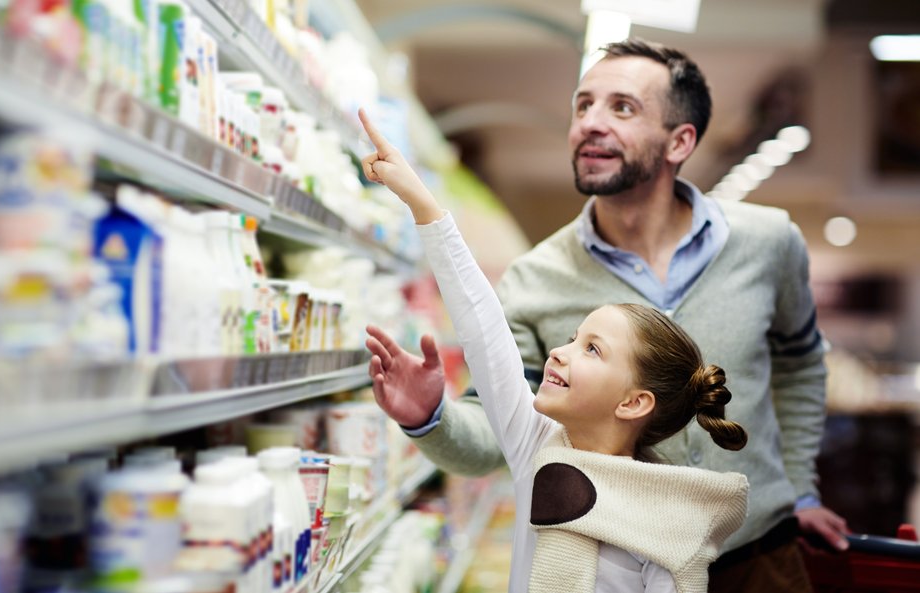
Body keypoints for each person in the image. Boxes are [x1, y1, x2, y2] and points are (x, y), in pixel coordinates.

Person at [363, 38, 849, 593]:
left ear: (679, 140)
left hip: (763, 554)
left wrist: (801, 490)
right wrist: (430, 416)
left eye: (621, 107)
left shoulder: (770, 243)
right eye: (582, 105)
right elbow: (494, 404)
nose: (590, 122)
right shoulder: (536, 279)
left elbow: (802, 366)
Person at [359, 107, 749, 593]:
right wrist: (421, 202)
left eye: (592, 350)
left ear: (633, 402)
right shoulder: (537, 445)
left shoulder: (666, 519)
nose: (560, 353)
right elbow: (483, 328)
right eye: (571, 339)